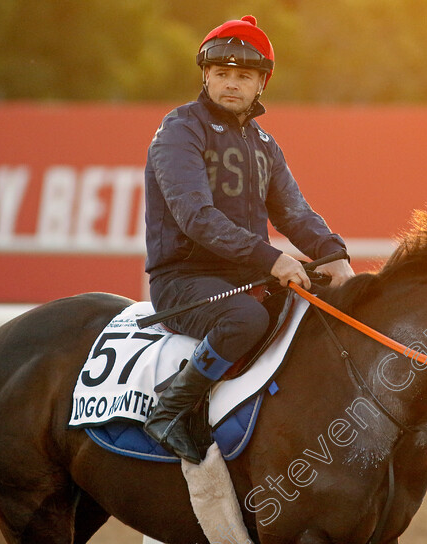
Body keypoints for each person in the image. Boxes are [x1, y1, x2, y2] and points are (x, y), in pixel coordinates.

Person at [142, 15, 354, 463]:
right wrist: (272, 259)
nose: (231, 84)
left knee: (318, 315)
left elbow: (294, 212)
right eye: (222, 74)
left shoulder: (264, 144)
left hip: (245, 274)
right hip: (184, 280)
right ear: (206, 76)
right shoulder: (179, 130)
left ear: (262, 84)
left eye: (243, 76)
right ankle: (171, 409)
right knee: (246, 320)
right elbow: (196, 217)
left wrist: (333, 255)